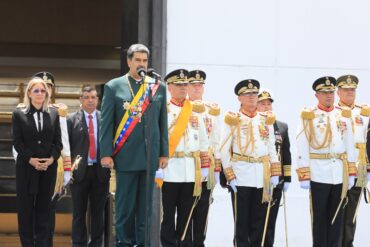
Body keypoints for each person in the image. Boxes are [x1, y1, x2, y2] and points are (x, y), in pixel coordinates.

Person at [99, 43, 168, 246]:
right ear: (129, 61)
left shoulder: (157, 86)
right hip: (126, 157)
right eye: (137, 60)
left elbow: (161, 122)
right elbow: (107, 123)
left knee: (146, 210)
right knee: (125, 209)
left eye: (144, 61)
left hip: (149, 158)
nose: (141, 64)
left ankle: (144, 243)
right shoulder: (114, 86)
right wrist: (106, 153)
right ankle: (124, 243)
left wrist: (163, 152)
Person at [296, 76, 356, 247]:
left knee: (337, 219)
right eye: (324, 92)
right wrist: (304, 173)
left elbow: (349, 144)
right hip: (318, 174)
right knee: (320, 220)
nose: (329, 95)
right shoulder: (309, 115)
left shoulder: (343, 114)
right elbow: (302, 144)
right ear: (317, 95)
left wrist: (351, 172)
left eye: (331, 92)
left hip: (339, 174)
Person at [220, 79, 281, 247]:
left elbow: (271, 147)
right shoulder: (233, 119)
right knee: (242, 224)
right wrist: (230, 175)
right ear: (239, 98)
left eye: (254, 93)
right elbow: (224, 150)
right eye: (247, 94)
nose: (252, 97)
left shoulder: (265, 119)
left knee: (259, 223)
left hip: (262, 176)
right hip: (241, 176)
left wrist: (275, 172)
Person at [158, 69, 209, 246]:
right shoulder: (163, 110)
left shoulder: (194, 110)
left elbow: (203, 143)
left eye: (185, 85)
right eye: (178, 85)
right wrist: (158, 169)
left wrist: (203, 169)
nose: (182, 88)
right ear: (169, 88)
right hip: (170, 170)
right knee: (168, 215)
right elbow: (157, 141)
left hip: (190, 172)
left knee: (187, 215)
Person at [12, 76, 62, 246]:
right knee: (26, 212)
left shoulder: (54, 114)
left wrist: (51, 159)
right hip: (26, 168)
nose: (40, 93)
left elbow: (58, 143)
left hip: (48, 169)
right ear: (29, 93)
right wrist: (31, 160)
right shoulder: (19, 113)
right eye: (36, 90)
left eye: (43, 90)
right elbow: (17, 142)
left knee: (44, 212)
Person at [67, 85, 110, 246]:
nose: (90, 100)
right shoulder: (71, 119)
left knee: (98, 213)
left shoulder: (105, 118)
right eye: (86, 97)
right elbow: (67, 147)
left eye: (93, 97)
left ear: (98, 100)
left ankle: (97, 244)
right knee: (79, 213)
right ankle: (78, 243)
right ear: (81, 99)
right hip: (79, 174)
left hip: (100, 173)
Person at [187, 70, 221, 246]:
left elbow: (216, 140)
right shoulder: (182, 106)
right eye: (194, 85)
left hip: (206, 164)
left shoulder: (212, 109)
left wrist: (216, 169)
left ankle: (199, 242)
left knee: (203, 207)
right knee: (185, 207)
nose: (197, 88)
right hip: (187, 163)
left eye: (200, 85)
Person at [335, 75, 370, 247]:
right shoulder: (333, 111)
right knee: (335, 210)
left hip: (360, 168)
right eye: (346, 89)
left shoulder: (363, 112)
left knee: (352, 212)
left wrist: (368, 168)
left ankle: (347, 244)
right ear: (338, 92)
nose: (350, 92)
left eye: (352, 89)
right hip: (338, 167)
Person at [257, 89, 292, 247]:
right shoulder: (252, 124)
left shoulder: (282, 127)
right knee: (255, 222)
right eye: (262, 103)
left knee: (270, 222)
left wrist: (287, 178)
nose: (266, 106)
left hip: (276, 180)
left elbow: (286, 153)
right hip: (257, 180)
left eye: (268, 103)